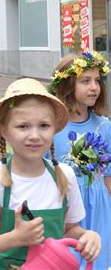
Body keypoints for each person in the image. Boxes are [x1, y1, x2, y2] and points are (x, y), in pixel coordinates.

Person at [0, 78, 102, 268]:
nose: (35, 135)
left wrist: (88, 236)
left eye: (44, 125)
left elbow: (69, 229)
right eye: (23, 126)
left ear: (54, 130)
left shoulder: (65, 176)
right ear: (5, 131)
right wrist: (14, 238)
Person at [50, 51, 111, 269]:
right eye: (85, 81)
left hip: (100, 207)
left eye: (97, 81)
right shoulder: (52, 127)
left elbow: (108, 177)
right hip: (65, 209)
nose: (94, 87)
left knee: (99, 260)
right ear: (67, 85)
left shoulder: (104, 126)